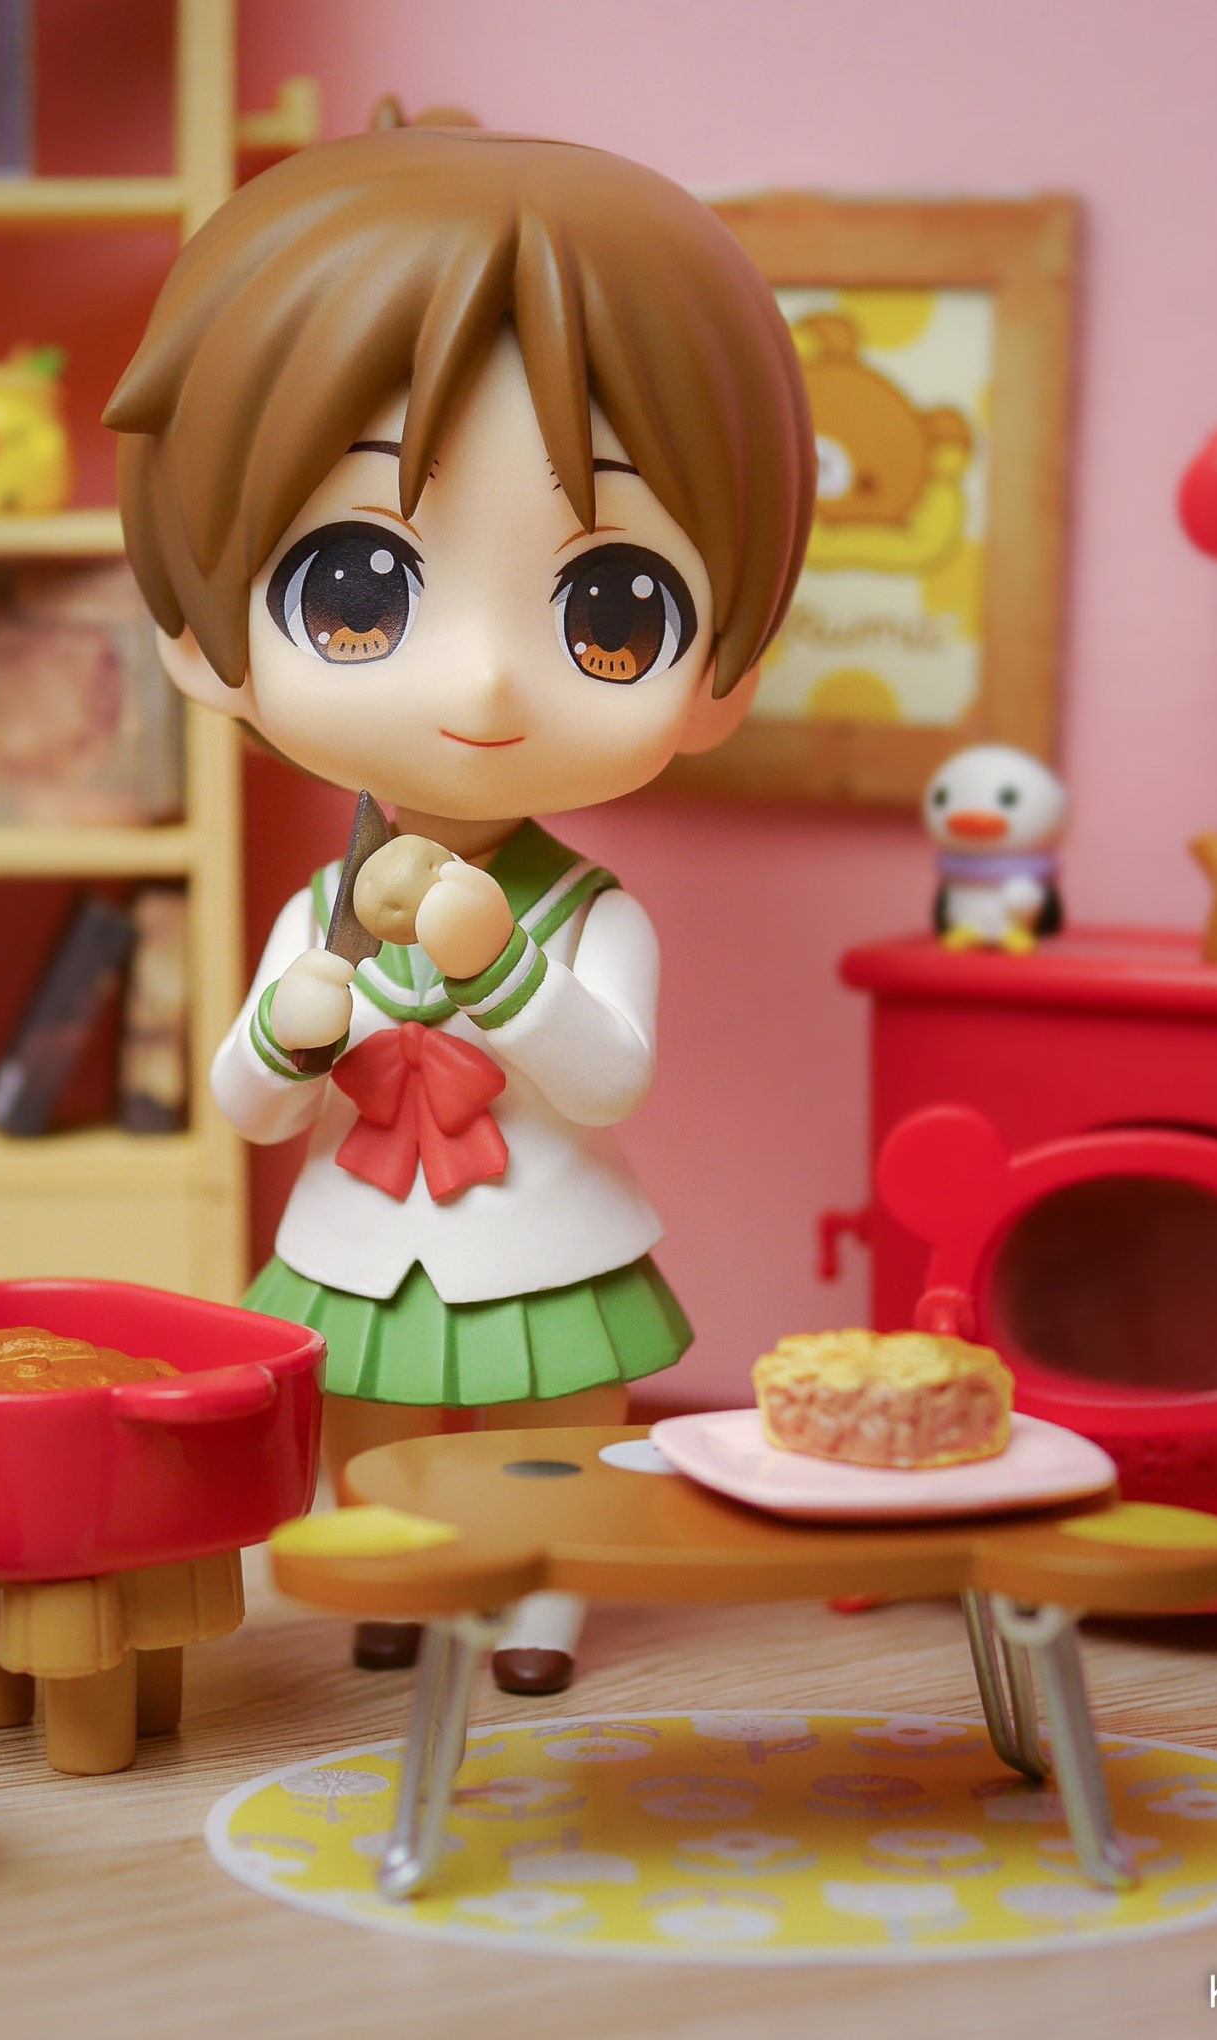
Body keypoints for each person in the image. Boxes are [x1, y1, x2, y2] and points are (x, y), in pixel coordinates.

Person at [105, 120, 814, 1693]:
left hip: (545, 1232)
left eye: (613, 607)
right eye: (357, 589)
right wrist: (293, 1027)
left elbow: (608, 1078)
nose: (486, 682)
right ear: (205, 638)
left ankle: (541, 1602)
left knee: (555, 1414)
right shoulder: (323, 910)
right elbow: (247, 1107)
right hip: (362, 1235)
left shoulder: (593, 912)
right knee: (369, 1412)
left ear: (724, 674)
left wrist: (503, 974)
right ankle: (400, 1576)